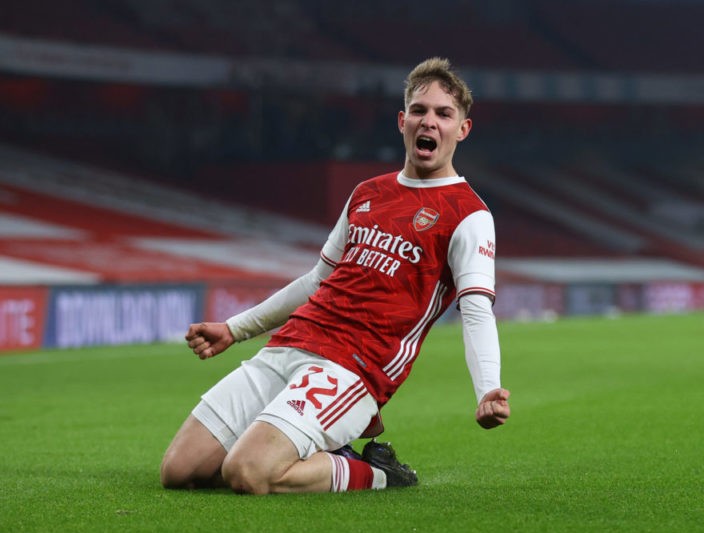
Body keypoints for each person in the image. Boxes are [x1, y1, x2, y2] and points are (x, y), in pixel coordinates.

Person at [160, 57, 511, 494]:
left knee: (247, 472)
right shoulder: (367, 193)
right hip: (291, 344)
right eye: (420, 110)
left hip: (353, 368)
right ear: (403, 121)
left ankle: (378, 473)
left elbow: (476, 310)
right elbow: (315, 282)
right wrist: (233, 329)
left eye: (444, 113)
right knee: (178, 471)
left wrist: (488, 389)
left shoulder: (469, 214)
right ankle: (306, 451)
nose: (430, 121)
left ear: (463, 129)